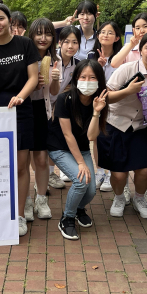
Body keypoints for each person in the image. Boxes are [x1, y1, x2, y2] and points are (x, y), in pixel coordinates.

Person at [0, 2, 40, 237]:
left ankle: (20, 214)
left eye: (0, 18)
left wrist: (20, 97)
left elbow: (33, 78)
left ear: (9, 20)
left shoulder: (25, 44)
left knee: (21, 166)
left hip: (20, 110)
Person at [98, 31, 147, 219]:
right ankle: (120, 197)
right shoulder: (126, 69)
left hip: (139, 127)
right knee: (119, 174)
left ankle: (139, 198)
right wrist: (128, 90)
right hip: (116, 124)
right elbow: (106, 97)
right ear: (140, 50)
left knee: (145, 169)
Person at [47, 60, 109, 240]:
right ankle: (67, 218)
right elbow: (67, 135)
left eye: (92, 78)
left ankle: (78, 209)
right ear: (75, 78)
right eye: (83, 77)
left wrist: (97, 112)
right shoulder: (64, 99)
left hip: (82, 148)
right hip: (59, 147)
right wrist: (81, 163)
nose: (87, 81)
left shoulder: (100, 100)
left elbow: (91, 136)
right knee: (81, 181)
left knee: (91, 190)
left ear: (99, 81)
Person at [25, 18, 61, 220]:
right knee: (23, 159)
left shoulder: (56, 59)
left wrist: (54, 79)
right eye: (39, 33)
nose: (43, 38)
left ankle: (41, 198)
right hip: (24, 108)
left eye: (48, 34)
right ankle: (26, 200)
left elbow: (54, 93)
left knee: (40, 158)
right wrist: (32, 83)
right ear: (32, 35)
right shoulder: (23, 56)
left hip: (42, 110)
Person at [88, 21, 123, 193]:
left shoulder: (122, 57)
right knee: (97, 138)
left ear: (117, 37)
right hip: (97, 102)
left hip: (117, 104)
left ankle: (110, 173)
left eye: (110, 32)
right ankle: (100, 171)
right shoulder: (91, 56)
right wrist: (99, 67)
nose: (105, 35)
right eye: (102, 32)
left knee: (112, 138)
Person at [50, 26, 82, 186]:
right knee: (43, 144)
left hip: (59, 107)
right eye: (67, 42)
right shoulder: (50, 60)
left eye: (75, 42)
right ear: (59, 43)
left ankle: (56, 171)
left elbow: (72, 87)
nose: (70, 46)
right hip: (42, 105)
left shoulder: (77, 65)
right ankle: (48, 174)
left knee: (57, 138)